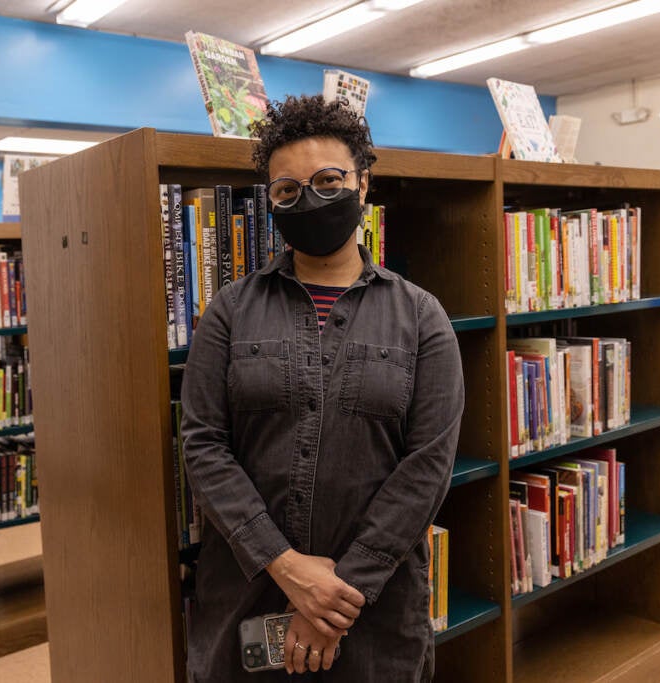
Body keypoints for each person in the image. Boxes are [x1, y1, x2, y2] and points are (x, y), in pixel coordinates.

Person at [180, 94, 464, 682]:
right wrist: (287, 569)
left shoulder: (422, 316)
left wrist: (335, 597)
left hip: (375, 609)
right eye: (287, 190)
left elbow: (428, 464)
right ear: (272, 203)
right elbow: (204, 447)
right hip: (248, 592)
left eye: (329, 180)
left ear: (363, 187)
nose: (309, 199)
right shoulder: (228, 313)